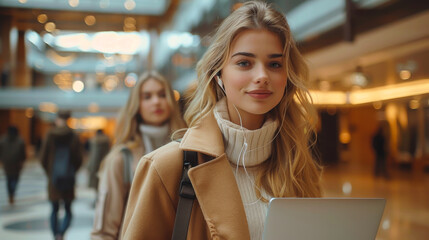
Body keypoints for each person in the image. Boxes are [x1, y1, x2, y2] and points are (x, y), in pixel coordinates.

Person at [121, 1, 322, 239]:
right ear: (218, 75)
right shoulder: (165, 166)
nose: (262, 76)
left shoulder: (297, 163)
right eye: (244, 63)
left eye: (275, 64)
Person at [91, 71, 186, 240]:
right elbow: (104, 230)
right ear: (137, 105)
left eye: (162, 95)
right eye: (147, 96)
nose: (156, 101)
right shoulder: (121, 159)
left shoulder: (187, 150)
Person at [40, 110, 83, 240]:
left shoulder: (50, 134)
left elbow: (42, 158)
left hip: (54, 179)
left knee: (54, 210)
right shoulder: (73, 135)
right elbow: (79, 159)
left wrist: (50, 172)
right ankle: (61, 233)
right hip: (68, 179)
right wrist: (71, 171)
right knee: (68, 210)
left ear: (58, 119)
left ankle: (55, 235)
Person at [0, 126, 26, 205]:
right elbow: (23, 154)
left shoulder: (3, 140)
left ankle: (10, 194)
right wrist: (23, 161)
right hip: (16, 163)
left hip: (7, 163)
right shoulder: (20, 140)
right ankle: (12, 192)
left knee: (9, 179)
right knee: (15, 178)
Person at [87, 129, 110, 200]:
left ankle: (97, 199)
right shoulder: (107, 142)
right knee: (102, 183)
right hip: (104, 164)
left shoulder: (94, 141)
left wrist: (90, 166)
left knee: (96, 184)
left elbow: (94, 156)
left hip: (95, 165)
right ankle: (100, 199)